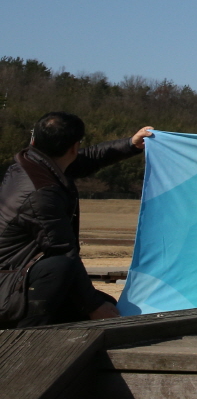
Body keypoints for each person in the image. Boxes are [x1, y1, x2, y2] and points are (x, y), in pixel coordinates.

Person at [0, 114, 153, 327]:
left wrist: (130, 145)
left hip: (17, 276)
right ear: (73, 147)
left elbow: (89, 158)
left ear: (34, 140)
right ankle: (24, 340)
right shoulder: (40, 194)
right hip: (8, 284)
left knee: (106, 303)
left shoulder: (33, 163)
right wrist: (92, 305)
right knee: (60, 266)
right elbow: (62, 250)